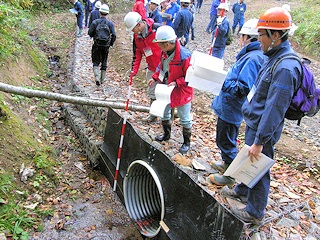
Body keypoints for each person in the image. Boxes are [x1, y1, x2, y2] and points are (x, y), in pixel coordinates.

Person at [222, 7, 301, 224]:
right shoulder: (273, 55)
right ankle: (243, 189)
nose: (259, 41)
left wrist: (260, 140)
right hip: (255, 121)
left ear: (276, 35)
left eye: (262, 36)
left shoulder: (285, 67)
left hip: (263, 128)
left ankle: (255, 212)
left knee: (259, 166)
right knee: (250, 160)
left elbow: (275, 109)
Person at [208, 19, 265, 186]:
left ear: (247, 37)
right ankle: (227, 164)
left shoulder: (253, 58)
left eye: (242, 36)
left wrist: (223, 81)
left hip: (232, 107)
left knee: (226, 140)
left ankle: (230, 176)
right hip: (229, 105)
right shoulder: (251, 55)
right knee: (224, 138)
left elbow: (243, 87)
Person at [149, 25, 194, 154]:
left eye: (160, 44)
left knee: (184, 117)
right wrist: (155, 77)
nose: (158, 46)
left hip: (182, 91)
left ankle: (186, 142)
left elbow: (191, 77)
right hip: (166, 89)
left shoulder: (185, 56)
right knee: (164, 112)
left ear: (168, 43)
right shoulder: (165, 53)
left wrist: (177, 82)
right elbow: (161, 67)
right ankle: (166, 134)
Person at [124, 12, 162, 122]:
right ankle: (154, 114)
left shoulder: (157, 29)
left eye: (133, 29)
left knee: (166, 93)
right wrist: (134, 71)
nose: (132, 32)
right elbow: (137, 55)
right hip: (151, 68)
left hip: (165, 67)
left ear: (139, 25)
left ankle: (167, 118)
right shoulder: (137, 37)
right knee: (152, 92)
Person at [88, 4, 117, 86]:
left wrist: (94, 37)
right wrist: (110, 43)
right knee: (104, 62)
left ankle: (96, 77)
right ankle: (102, 80)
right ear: (107, 13)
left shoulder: (95, 22)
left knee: (95, 62)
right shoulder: (110, 24)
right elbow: (114, 35)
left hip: (96, 45)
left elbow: (89, 32)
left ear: (99, 12)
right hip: (106, 46)